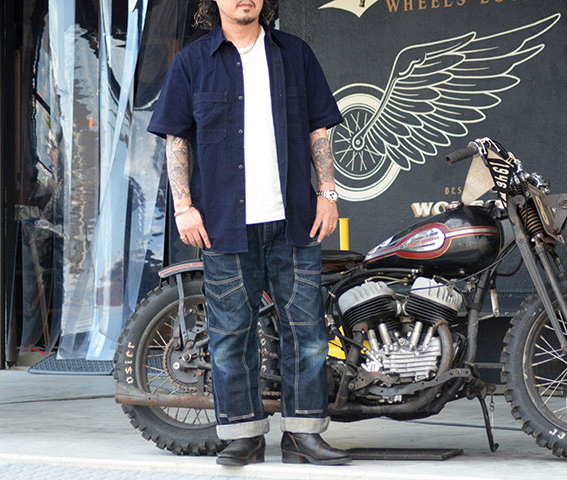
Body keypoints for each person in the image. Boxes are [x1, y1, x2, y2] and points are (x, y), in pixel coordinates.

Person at [147, 0, 352, 467]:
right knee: (230, 337)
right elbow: (176, 138)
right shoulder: (193, 61)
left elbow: (319, 129)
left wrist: (328, 192)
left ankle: (303, 436)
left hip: (294, 219)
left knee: (307, 333)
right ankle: (243, 436)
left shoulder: (294, 54)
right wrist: (184, 207)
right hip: (223, 224)